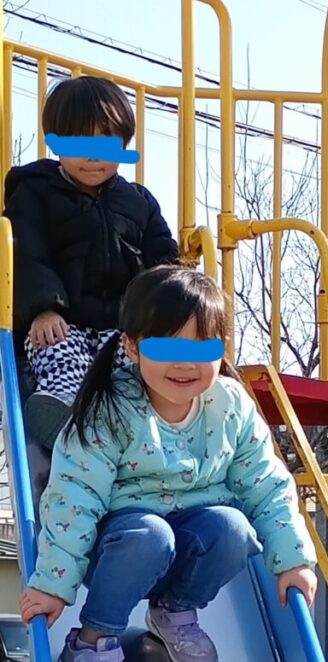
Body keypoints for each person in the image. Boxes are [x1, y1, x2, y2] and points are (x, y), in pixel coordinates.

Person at [19, 266, 318, 662]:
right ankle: (90, 644)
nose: (185, 363)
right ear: (132, 347)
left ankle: (173, 610)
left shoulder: (230, 406)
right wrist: (53, 585)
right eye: (166, 347)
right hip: (117, 548)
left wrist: (292, 560)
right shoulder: (111, 409)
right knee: (150, 534)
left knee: (233, 527)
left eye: (202, 347)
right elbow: (75, 496)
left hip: (184, 544)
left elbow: (267, 484)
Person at [3, 75, 178, 449]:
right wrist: (43, 309)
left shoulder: (139, 203)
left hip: (120, 328)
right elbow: (28, 253)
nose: (93, 154)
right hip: (61, 322)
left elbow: (163, 262)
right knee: (57, 353)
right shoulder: (34, 192)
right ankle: (64, 410)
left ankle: (129, 423)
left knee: (135, 368)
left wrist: (170, 314)